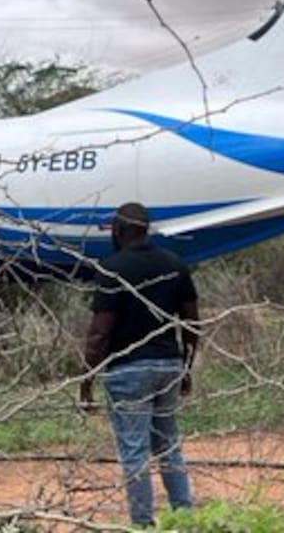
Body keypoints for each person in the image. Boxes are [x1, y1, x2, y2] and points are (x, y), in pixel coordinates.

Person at [79, 202, 198, 528]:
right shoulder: (176, 264)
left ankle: (143, 524)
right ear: (147, 228)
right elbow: (191, 323)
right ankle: (184, 519)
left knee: (135, 452)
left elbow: (100, 331)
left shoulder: (111, 268)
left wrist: (86, 380)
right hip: (169, 365)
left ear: (118, 230)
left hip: (127, 370)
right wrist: (186, 367)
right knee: (169, 446)